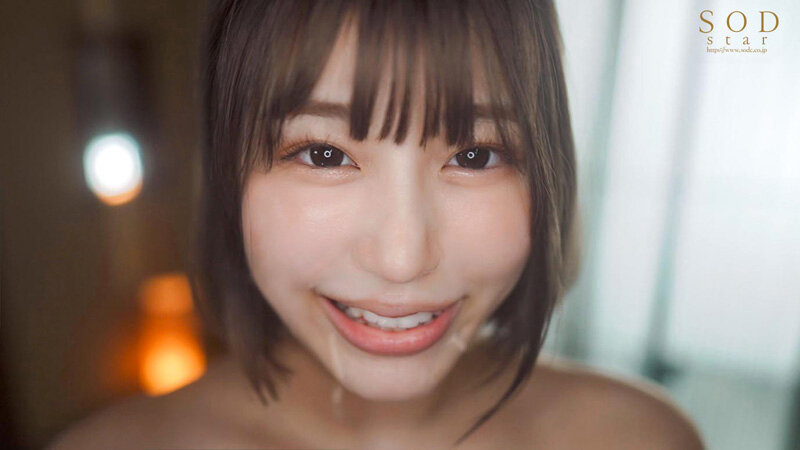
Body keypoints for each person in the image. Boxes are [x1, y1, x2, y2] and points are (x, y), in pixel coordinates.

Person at [51, 0, 705, 448]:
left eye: (475, 156)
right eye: (323, 154)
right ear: (229, 174)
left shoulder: (639, 438)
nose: (401, 258)